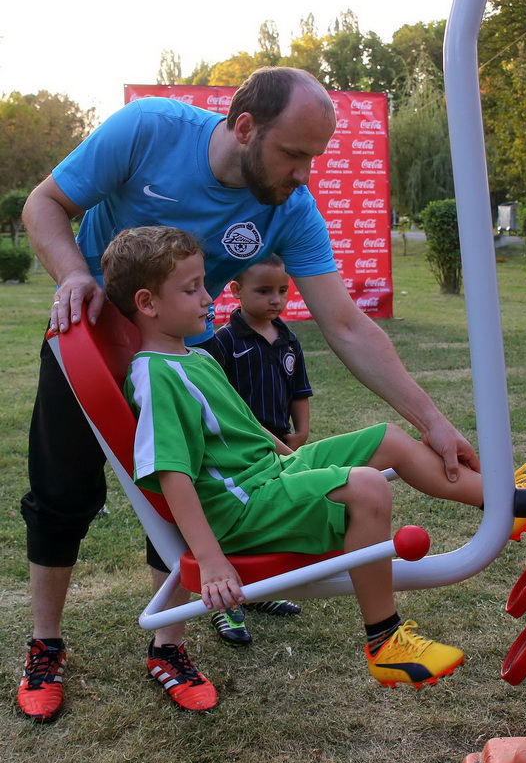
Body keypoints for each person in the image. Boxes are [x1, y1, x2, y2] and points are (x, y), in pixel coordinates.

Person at [18, 66, 480, 723]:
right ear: (243, 127)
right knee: (63, 493)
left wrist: (430, 418)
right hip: (86, 335)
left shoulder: (291, 208)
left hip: (181, 346)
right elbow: (45, 202)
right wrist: (72, 275)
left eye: (314, 158)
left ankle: (167, 645)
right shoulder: (147, 129)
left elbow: (346, 325)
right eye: (294, 153)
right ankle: (46, 643)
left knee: (185, 490)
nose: (305, 175)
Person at [101, 226, 488, 701]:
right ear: (147, 303)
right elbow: (172, 474)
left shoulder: (192, 357)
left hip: (270, 476)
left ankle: (503, 502)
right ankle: (385, 642)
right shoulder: (156, 378)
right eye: (191, 288)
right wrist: (212, 561)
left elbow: (243, 426)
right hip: (241, 510)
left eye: (205, 283)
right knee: (366, 487)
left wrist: (294, 460)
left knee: (386, 438)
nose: (208, 296)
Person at [204, 255, 311, 645]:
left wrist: (301, 432)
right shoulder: (224, 341)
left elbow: (299, 389)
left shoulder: (288, 338)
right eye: (264, 291)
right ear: (235, 291)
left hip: (280, 443)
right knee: (236, 520)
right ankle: (224, 604)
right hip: (239, 449)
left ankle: (258, 591)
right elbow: (225, 403)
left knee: (268, 520)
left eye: (282, 291)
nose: (275, 300)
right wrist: (273, 441)